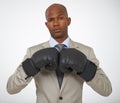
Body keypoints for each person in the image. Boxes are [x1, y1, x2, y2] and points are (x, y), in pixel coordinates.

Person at [6, 3, 112, 103]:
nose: (56, 23)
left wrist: (86, 68)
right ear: (47, 25)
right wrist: (32, 65)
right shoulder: (33, 52)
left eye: (60, 18)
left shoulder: (86, 51)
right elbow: (11, 88)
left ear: (68, 21)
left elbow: (106, 90)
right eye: (51, 20)